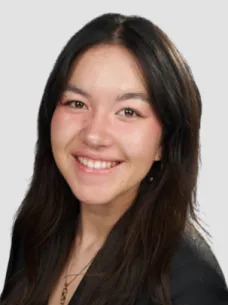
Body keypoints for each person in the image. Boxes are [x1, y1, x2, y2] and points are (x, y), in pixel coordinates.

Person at [1, 12, 228, 305]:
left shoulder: (189, 288)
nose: (94, 135)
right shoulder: (37, 230)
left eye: (129, 112)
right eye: (77, 103)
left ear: (165, 141)